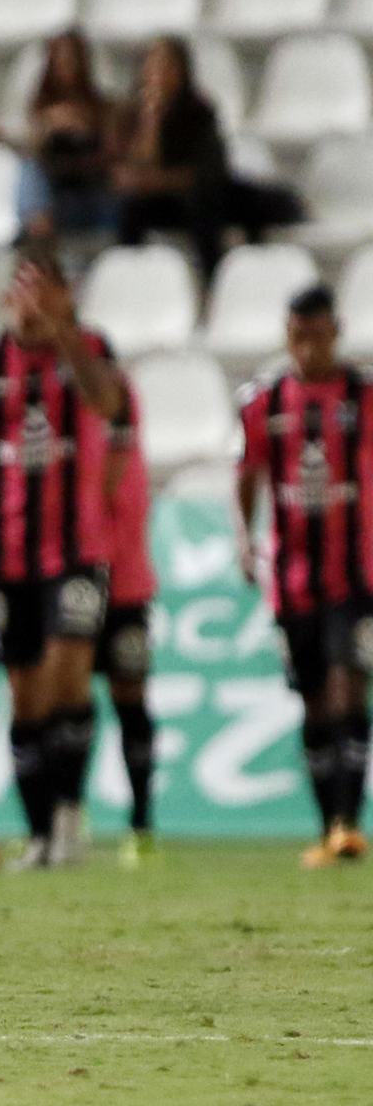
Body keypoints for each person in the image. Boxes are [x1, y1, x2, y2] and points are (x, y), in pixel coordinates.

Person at [0, 243, 129, 869]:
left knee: (67, 673)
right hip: (3, 556)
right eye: (26, 290)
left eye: (48, 292)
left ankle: (71, 816)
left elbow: (107, 404)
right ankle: (42, 830)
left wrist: (64, 333)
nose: (35, 304)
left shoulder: (92, 351)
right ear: (7, 295)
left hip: (76, 551)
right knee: (24, 695)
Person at [237, 285, 373, 867]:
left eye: (317, 334)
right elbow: (246, 473)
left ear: (335, 332)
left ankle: (347, 825)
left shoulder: (363, 396)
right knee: (315, 701)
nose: (308, 346)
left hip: (358, 575)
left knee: (348, 686)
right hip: (292, 580)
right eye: (297, 334)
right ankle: (329, 828)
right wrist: (245, 538)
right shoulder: (265, 400)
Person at [113, 36, 299, 283]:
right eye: (153, 67)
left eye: (167, 66)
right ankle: (129, 278)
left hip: (199, 196)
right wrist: (151, 121)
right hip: (160, 203)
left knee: (215, 201)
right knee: (130, 209)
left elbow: (204, 172)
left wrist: (157, 180)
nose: (159, 75)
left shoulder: (198, 112)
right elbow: (129, 174)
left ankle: (219, 279)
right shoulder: (130, 115)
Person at [97, 384, 158, 867]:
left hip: (125, 591)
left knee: (130, 704)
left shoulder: (127, 461)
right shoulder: (72, 455)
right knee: (64, 706)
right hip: (76, 584)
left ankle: (142, 823)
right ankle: (62, 822)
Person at [18, 30, 120, 238]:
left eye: (73, 57)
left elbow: (112, 154)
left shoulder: (102, 106)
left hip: (91, 185)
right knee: (29, 169)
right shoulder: (41, 107)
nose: (67, 64)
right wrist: (50, 125)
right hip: (56, 186)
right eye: (61, 57)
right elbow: (31, 149)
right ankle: (39, 228)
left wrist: (87, 128)